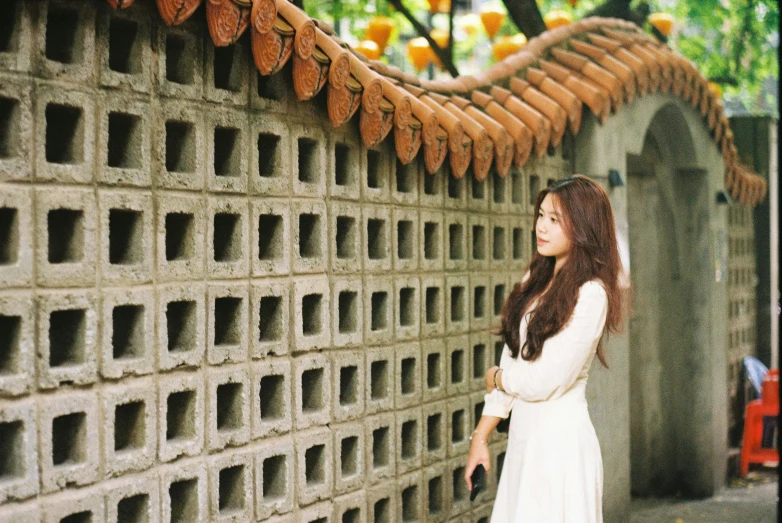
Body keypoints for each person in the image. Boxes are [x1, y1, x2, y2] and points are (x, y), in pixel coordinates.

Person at [464, 175, 626, 522]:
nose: (542, 227)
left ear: (583, 227)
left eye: (555, 219)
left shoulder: (591, 294)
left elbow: (546, 379)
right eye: (541, 216)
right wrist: (481, 436)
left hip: (560, 446)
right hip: (525, 443)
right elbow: (512, 356)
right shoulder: (533, 282)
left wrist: (497, 377)